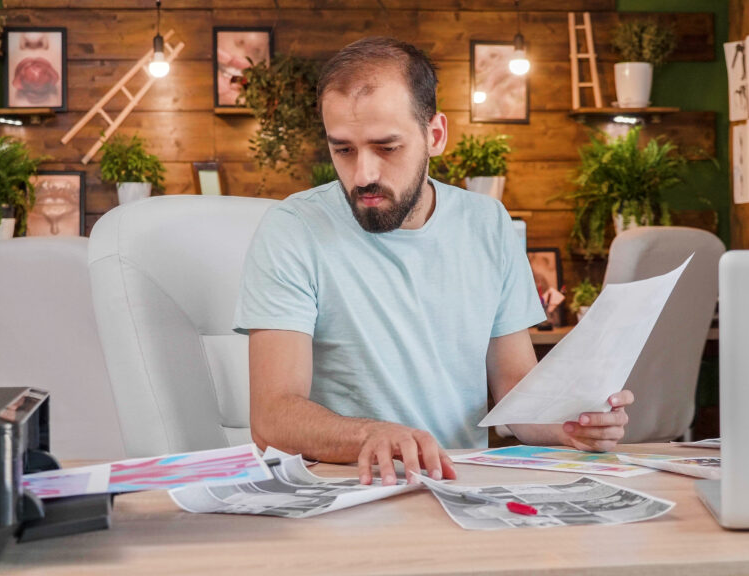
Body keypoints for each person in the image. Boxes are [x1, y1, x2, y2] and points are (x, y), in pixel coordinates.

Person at [234, 37, 634, 486]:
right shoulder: (293, 229)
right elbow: (272, 418)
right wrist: (371, 435)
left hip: (462, 488)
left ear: (435, 136)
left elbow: (514, 390)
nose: (363, 174)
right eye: (343, 149)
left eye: (387, 147)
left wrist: (569, 424)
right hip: (346, 493)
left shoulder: (488, 222)